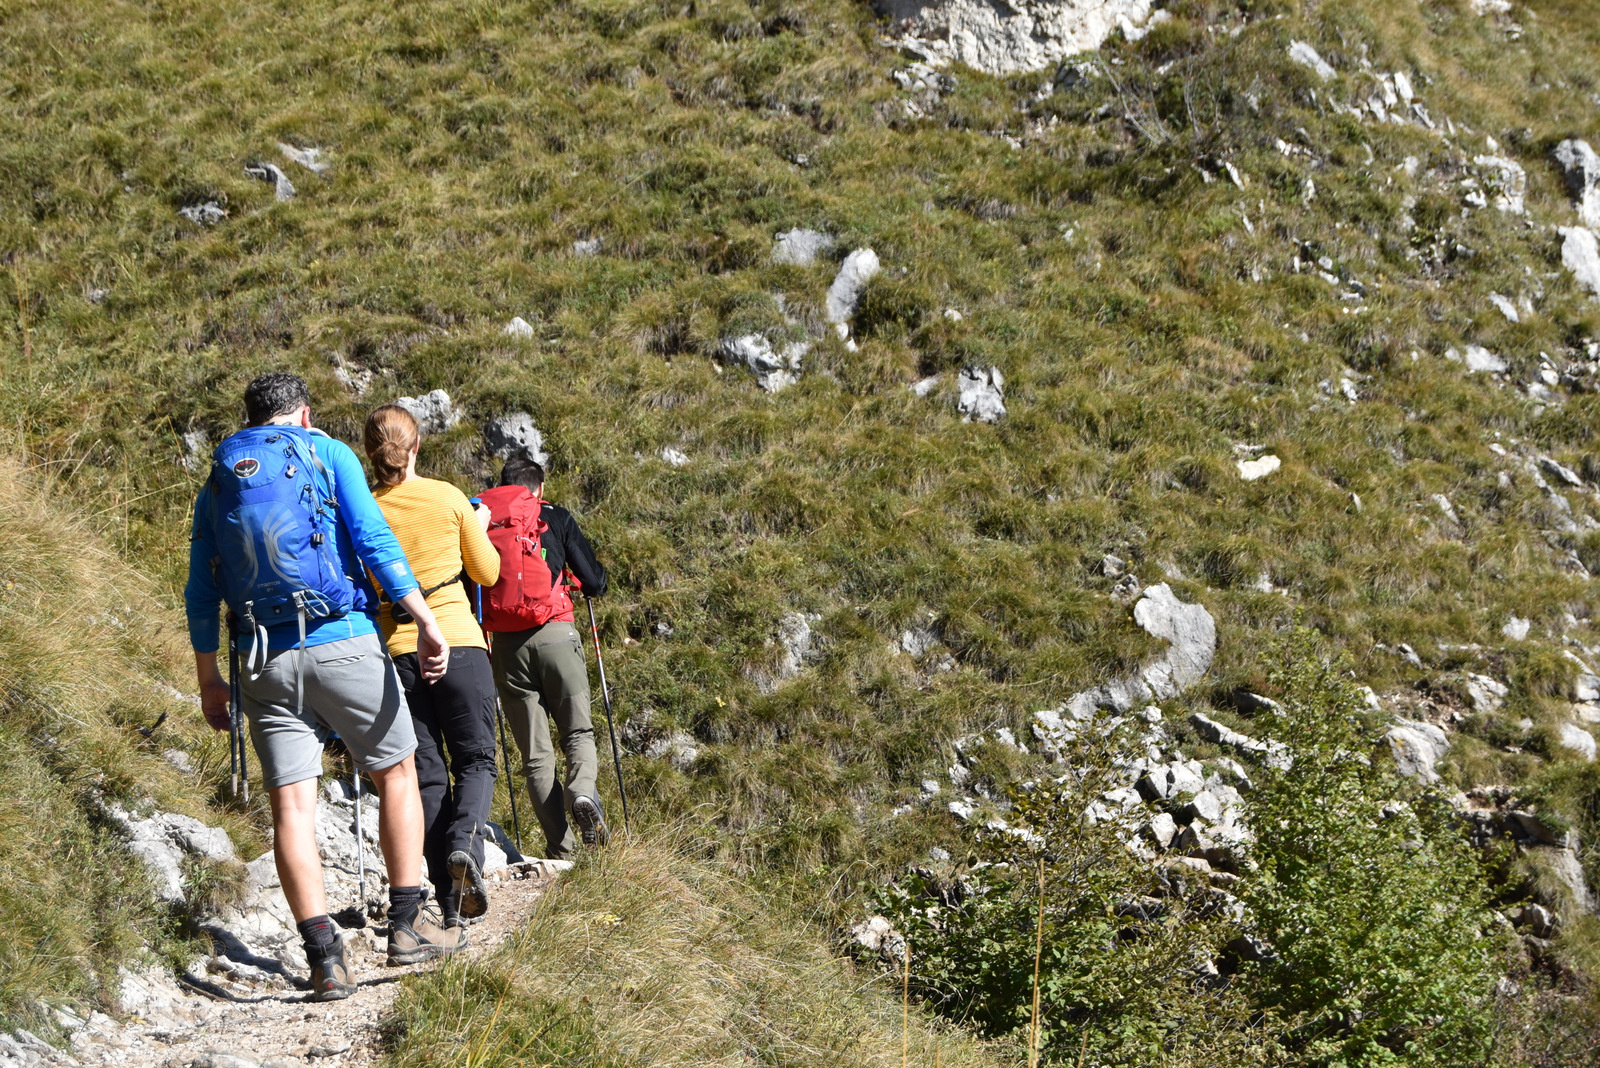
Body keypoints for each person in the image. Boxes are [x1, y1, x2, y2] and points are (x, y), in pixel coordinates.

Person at [186, 372, 465, 1003]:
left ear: (252, 419)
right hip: (341, 640)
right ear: (304, 415)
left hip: (262, 657)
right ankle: (406, 925)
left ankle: (324, 960)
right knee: (396, 770)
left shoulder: (222, 477)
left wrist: (209, 678)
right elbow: (371, 540)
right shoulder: (327, 451)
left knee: (291, 808)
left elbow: (202, 589)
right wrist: (424, 621)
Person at [363, 404, 502, 928]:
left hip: (397, 649)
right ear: (416, 445)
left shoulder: (365, 508)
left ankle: (446, 898)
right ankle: (465, 846)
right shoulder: (447, 498)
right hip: (459, 642)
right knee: (476, 760)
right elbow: (487, 573)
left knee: (424, 773)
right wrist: (480, 526)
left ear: (371, 453)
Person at [481, 456, 610, 858]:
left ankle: (563, 849)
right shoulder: (552, 516)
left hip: (505, 646)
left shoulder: (479, 519)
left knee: (535, 754)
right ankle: (582, 794)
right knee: (577, 733)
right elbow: (594, 582)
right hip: (556, 636)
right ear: (538, 489)